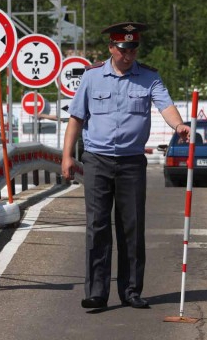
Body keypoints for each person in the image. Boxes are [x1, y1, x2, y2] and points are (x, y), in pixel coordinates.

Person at [61, 22, 190, 310]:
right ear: (111, 48)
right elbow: (76, 118)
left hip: (131, 161)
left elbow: (165, 106)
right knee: (97, 226)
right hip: (97, 159)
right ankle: (96, 291)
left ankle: (131, 290)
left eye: (133, 49)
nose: (128, 55)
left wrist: (179, 124)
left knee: (131, 226)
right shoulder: (92, 78)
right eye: (123, 50)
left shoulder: (149, 78)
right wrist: (67, 155)